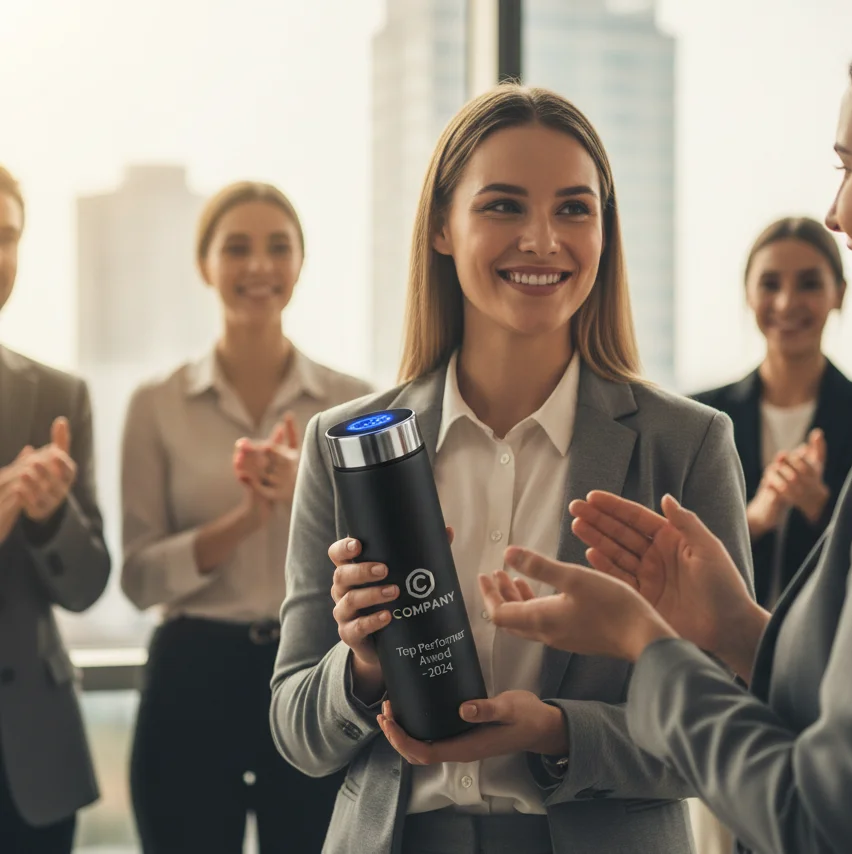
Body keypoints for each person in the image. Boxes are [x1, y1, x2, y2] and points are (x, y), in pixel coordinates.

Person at [477, 2, 852, 852]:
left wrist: (645, 647)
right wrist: (737, 630)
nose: (836, 210)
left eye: (848, 166)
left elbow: (839, 824)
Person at [270, 84, 753, 854]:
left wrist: (560, 733)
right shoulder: (345, 444)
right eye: (502, 206)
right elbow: (297, 731)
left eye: (573, 208)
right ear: (440, 227)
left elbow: (728, 728)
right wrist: (362, 666)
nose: (541, 239)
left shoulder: (685, 444)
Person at [120, 181, 372, 853]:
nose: (258, 266)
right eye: (237, 248)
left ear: (300, 264)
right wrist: (241, 519)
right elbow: (141, 579)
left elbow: (385, 555)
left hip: (315, 672)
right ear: (205, 266)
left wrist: (307, 491)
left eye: (277, 248)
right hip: (191, 676)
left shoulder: (352, 403)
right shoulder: (156, 404)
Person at [694, 217, 852, 609]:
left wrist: (824, 511)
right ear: (748, 295)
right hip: (716, 659)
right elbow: (672, 553)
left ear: (839, 294)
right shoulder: (697, 418)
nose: (787, 302)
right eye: (770, 284)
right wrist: (752, 520)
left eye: (809, 283)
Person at [0, 165, 111, 852]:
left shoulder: (55, 397)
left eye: (6, 236)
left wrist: (46, 517)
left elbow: (88, 585)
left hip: (31, 766)